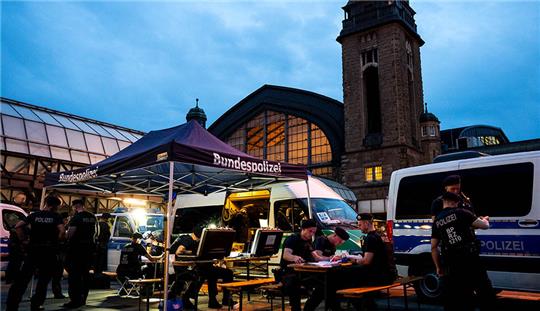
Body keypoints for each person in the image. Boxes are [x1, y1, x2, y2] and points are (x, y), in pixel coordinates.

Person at [431, 192, 495, 311]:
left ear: (444, 202)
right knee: (484, 290)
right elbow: (484, 226)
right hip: (470, 259)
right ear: (455, 202)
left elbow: (434, 247)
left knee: (461, 294)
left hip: (451, 262)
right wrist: (485, 219)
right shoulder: (462, 212)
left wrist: (438, 267)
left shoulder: (437, 221)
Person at [5, 196, 65, 311]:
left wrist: (23, 240)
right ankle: (36, 305)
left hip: (33, 250)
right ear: (55, 206)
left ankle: (12, 305)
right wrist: (57, 240)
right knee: (43, 280)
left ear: (46, 203)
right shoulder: (56, 217)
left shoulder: (34, 215)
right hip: (48, 252)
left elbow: (18, 226)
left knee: (22, 280)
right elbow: (62, 231)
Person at [172, 225, 234, 309]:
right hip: (189, 267)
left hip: (200, 266)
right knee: (209, 273)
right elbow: (178, 252)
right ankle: (187, 298)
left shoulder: (192, 240)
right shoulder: (187, 239)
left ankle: (217, 300)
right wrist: (194, 252)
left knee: (219, 273)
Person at [303, 227, 350, 311]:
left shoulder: (333, 246)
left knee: (332, 286)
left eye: (341, 243)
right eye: (339, 241)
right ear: (334, 235)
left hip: (326, 272)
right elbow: (317, 257)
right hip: (313, 271)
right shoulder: (321, 240)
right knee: (325, 288)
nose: (339, 244)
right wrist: (330, 258)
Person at [63, 199, 98, 309]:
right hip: (88, 250)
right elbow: (97, 233)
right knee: (85, 275)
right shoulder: (93, 217)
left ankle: (74, 300)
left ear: (75, 206)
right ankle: (83, 299)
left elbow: (70, 234)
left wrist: (66, 235)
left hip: (76, 250)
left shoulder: (76, 218)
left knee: (74, 276)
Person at [279, 219, 318, 311]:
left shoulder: (308, 242)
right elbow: (286, 255)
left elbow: (315, 256)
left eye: (314, 232)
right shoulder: (292, 239)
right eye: (310, 231)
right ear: (303, 229)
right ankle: (295, 308)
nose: (312, 234)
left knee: (323, 283)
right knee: (294, 283)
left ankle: (309, 307)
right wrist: (294, 258)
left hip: (304, 272)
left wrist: (330, 259)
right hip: (288, 273)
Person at [50, 212, 69, 299]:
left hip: (54, 252)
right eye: (66, 219)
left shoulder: (54, 227)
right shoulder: (61, 228)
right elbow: (62, 239)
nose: (67, 221)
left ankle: (56, 292)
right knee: (57, 274)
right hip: (58, 253)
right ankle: (57, 293)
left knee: (54, 275)